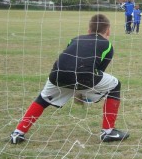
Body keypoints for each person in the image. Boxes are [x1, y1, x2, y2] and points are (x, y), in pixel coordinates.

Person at [10, 14, 129, 144]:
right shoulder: (107, 45)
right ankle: (108, 132)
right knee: (115, 85)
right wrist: (82, 93)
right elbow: (98, 73)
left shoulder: (75, 39)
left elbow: (69, 58)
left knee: (42, 99)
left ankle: (18, 133)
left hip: (57, 73)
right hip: (84, 76)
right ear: (108, 31)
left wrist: (79, 91)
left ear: (88, 30)